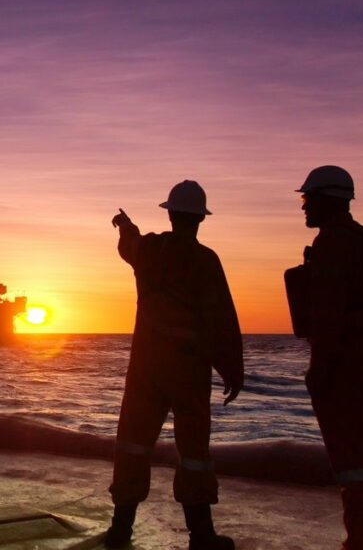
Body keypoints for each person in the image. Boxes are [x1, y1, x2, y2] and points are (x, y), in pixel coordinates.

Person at [108, 180, 243, 550]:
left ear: (169, 213)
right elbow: (221, 319)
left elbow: (129, 246)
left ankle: (121, 529)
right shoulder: (205, 261)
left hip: (147, 368)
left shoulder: (149, 249)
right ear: (200, 219)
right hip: (189, 369)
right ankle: (201, 535)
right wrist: (232, 368)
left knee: (133, 445)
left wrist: (125, 225)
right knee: (194, 452)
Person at [288, 165, 363, 550]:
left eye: (307, 198)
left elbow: (328, 314)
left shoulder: (333, 244)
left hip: (348, 364)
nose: (303, 206)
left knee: (354, 464)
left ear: (327, 198)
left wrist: (319, 368)